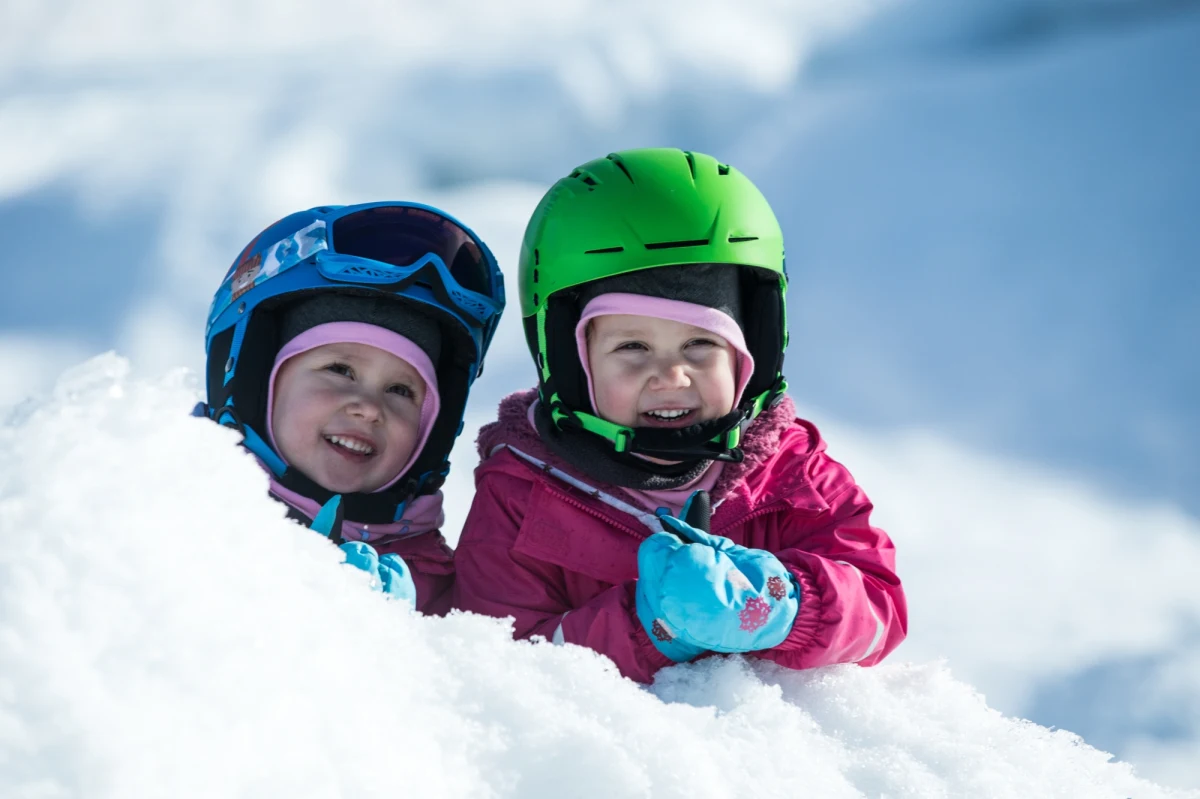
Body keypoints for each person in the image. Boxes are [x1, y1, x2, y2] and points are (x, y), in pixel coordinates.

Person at [453, 148, 906, 682]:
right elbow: (500, 665)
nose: (670, 376)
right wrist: (652, 628)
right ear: (571, 362)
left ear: (750, 352)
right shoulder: (521, 498)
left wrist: (777, 605)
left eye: (698, 344)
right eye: (633, 348)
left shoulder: (794, 476)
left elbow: (879, 610)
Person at [198, 201, 505, 614]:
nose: (369, 408)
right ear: (252, 380)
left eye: (401, 390)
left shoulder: (434, 588)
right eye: (340, 369)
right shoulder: (172, 502)